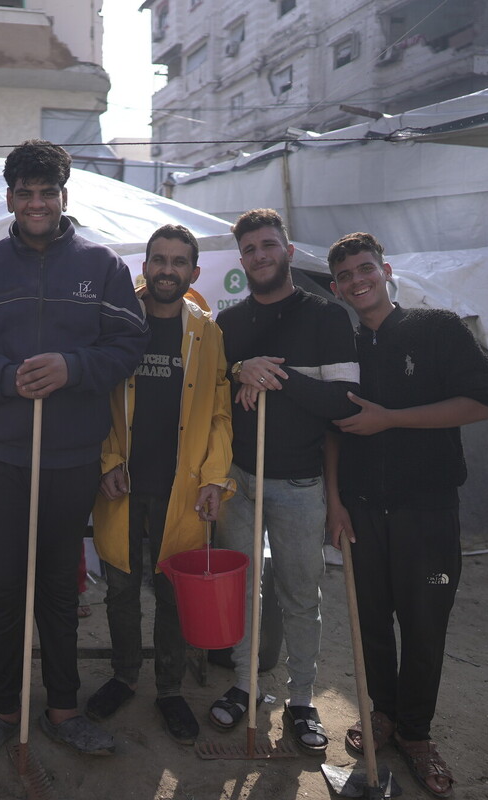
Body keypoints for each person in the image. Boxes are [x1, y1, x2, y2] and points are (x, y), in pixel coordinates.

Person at [0, 140, 148, 764]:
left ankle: (63, 709)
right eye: (25, 193)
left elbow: (129, 342)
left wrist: (73, 367)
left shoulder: (103, 266)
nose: (37, 203)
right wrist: (9, 379)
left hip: (70, 458)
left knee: (61, 587)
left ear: (63, 197)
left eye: (48, 193)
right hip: (0, 458)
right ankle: (6, 709)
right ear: (9, 198)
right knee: (4, 586)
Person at [324, 232, 488, 797]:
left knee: (424, 624)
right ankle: (382, 715)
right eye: (346, 275)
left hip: (427, 509)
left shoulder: (437, 328)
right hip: (363, 511)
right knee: (370, 619)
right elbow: (333, 431)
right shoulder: (345, 347)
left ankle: (417, 734)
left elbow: (478, 403)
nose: (358, 280)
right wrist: (335, 502)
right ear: (336, 286)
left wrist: (391, 419)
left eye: (365, 268)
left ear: (385, 269)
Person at [209, 208, 360, 755]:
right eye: (249, 249)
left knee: (301, 594)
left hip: (300, 482)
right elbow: (214, 396)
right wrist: (237, 371)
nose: (260, 256)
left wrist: (277, 376)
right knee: (244, 592)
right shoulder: (229, 325)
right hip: (239, 481)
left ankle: (301, 699)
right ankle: (245, 686)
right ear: (241, 260)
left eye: (268, 245)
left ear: (288, 251)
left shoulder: (327, 318)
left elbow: (343, 402)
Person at [87, 224, 234, 746]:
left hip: (182, 490)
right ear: (143, 267)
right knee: (121, 590)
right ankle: (125, 675)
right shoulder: (118, 323)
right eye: (158, 259)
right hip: (122, 486)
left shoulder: (207, 331)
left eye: (178, 262)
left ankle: (168, 689)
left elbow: (219, 412)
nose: (167, 270)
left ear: (193, 273)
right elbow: (98, 400)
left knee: (173, 593)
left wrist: (217, 478)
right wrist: (106, 461)